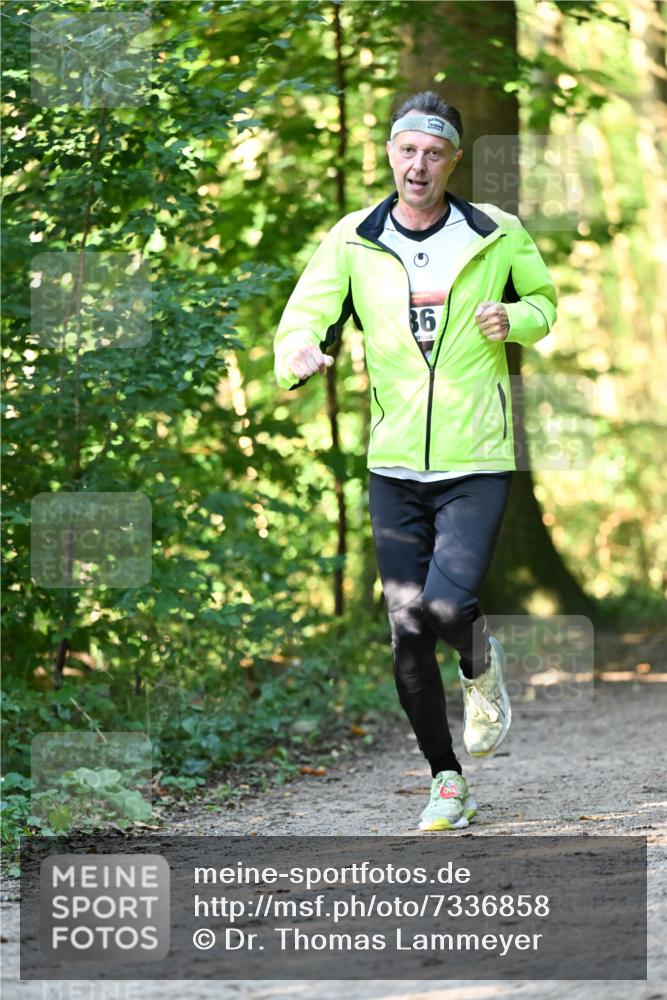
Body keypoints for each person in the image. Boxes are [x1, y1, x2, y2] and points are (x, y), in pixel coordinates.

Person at [273, 91, 557, 831]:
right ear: (390, 154)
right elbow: (305, 316)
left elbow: (544, 303)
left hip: (476, 456)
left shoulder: (494, 232)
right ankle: (446, 781)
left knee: (446, 607)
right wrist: (296, 353)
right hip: (394, 462)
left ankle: (480, 664)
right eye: (407, 150)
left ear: (452, 160)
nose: (418, 165)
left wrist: (514, 318)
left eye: (433, 152)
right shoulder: (355, 238)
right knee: (405, 629)